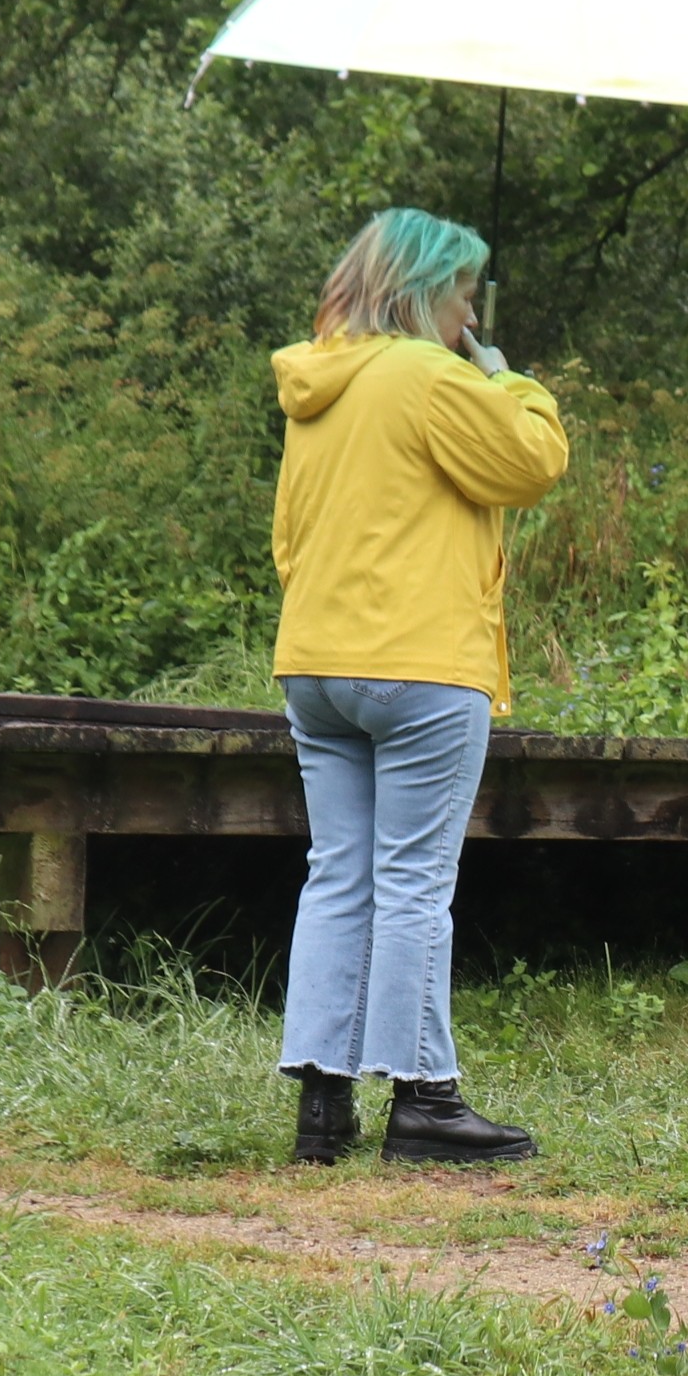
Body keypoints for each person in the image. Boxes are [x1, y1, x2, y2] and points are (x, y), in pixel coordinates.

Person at [269, 207, 569, 1166]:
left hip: (316, 662)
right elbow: (532, 465)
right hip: (420, 664)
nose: (467, 314)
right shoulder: (427, 374)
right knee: (413, 883)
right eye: (463, 296)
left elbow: (289, 535)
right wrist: (505, 376)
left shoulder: (320, 379)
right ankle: (425, 1100)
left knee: (339, 873)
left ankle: (323, 1106)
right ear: (426, 291)